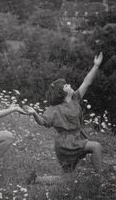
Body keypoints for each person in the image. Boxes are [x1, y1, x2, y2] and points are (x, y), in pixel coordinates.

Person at [25, 53, 104, 184]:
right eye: (66, 85)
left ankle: (37, 180)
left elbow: (87, 82)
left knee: (67, 179)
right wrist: (34, 113)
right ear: (62, 93)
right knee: (96, 146)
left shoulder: (75, 98)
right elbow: (43, 122)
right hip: (66, 144)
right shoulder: (54, 109)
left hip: (77, 138)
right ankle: (99, 180)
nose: (69, 85)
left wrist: (96, 66)